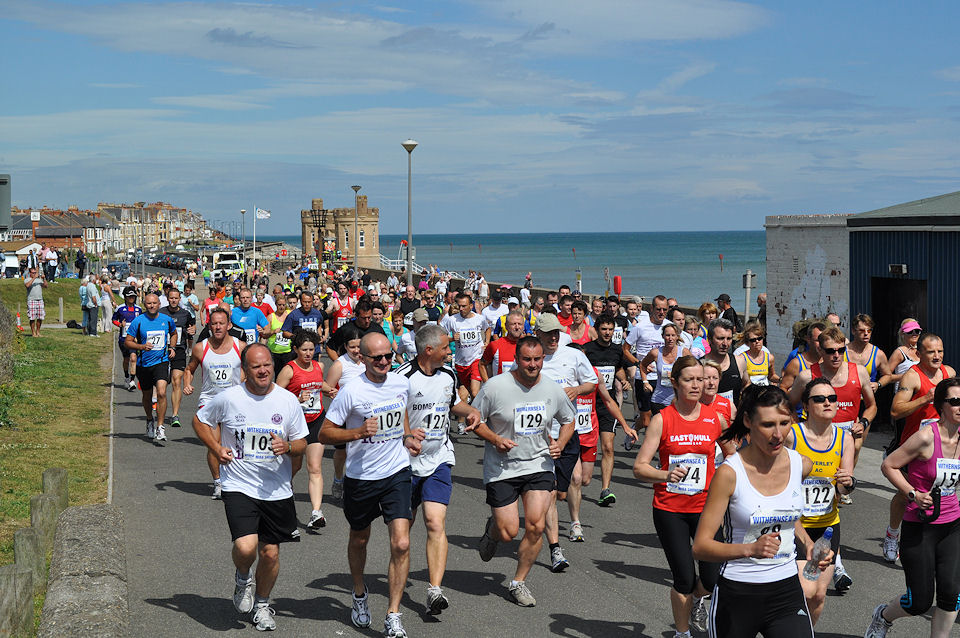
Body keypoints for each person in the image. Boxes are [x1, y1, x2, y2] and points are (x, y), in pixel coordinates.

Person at [692, 386, 830, 638]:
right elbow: (700, 547)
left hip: (786, 590)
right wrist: (750, 549)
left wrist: (809, 544)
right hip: (738, 592)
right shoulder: (730, 474)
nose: (778, 434)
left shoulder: (800, 464)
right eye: (767, 425)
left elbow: (787, 515)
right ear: (748, 421)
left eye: (784, 423)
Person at [193, 343, 307, 632]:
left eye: (267, 364)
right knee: (246, 548)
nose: (263, 370)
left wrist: (289, 446)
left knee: (270, 553)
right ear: (244, 371)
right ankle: (243, 577)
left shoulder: (287, 401)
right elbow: (200, 420)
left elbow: (302, 442)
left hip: (276, 489)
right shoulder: (229, 398)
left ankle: (263, 605)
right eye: (256, 366)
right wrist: (216, 447)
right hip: (239, 484)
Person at [319, 333, 423, 638]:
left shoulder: (400, 383)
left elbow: (401, 411)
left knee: (401, 543)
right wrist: (357, 433)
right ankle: (360, 592)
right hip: (362, 478)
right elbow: (325, 433)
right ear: (361, 358)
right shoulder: (351, 391)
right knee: (360, 539)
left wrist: (406, 437)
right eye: (376, 357)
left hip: (397, 471)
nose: (383, 362)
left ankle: (393, 614)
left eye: (388, 356)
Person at [471, 336, 576, 607]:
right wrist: (495, 440)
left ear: (543, 359)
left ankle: (518, 583)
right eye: (527, 359)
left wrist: (561, 443)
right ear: (516, 359)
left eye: (537, 359)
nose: (533, 365)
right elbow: (474, 419)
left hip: (539, 465)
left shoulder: (553, 389)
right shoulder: (495, 387)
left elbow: (569, 419)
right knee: (508, 532)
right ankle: (493, 529)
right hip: (502, 467)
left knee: (535, 525)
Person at [634, 357, 728, 637]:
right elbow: (639, 467)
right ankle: (682, 632)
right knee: (685, 578)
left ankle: (699, 600)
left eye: (701, 379)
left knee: (713, 579)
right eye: (690, 379)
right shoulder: (663, 420)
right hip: (670, 509)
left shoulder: (715, 419)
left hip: (706, 509)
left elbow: (736, 455)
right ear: (674, 382)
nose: (697, 385)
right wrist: (666, 475)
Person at [864, 377, 960, 638]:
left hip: (952, 525)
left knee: (951, 594)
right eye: (955, 402)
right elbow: (889, 466)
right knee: (919, 601)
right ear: (941, 406)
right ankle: (883, 616)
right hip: (920, 525)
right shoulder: (926, 437)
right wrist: (912, 493)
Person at [396, 325, 482, 614]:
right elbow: (391, 412)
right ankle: (398, 580)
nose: (451, 351)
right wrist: (407, 435)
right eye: (446, 347)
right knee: (402, 536)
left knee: (435, 522)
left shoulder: (448, 374)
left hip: (438, 459)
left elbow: (452, 403)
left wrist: (470, 411)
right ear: (428, 350)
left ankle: (434, 590)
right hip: (405, 464)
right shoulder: (402, 378)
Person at [882, 332, 956, 563]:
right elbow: (895, 411)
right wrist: (925, 399)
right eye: (931, 352)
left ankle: (935, 538)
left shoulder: (949, 373)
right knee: (905, 495)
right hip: (914, 447)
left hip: (941, 446)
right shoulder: (912, 377)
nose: (937, 356)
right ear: (919, 353)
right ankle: (893, 533)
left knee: (943, 490)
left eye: (940, 351)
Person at [785, 379, 856, 622]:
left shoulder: (845, 439)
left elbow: (843, 490)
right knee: (804, 590)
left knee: (818, 595)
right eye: (820, 399)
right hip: (794, 527)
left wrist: (847, 484)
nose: (828, 403)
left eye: (832, 398)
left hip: (826, 529)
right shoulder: (792, 436)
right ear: (806, 405)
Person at [533, 313, 597, 571]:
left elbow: (592, 382)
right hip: (539, 435)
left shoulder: (573, 355)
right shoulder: (531, 357)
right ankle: (555, 549)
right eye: (548, 333)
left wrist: (576, 390)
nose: (553, 337)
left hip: (568, 432)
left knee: (563, 490)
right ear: (537, 333)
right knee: (549, 493)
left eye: (556, 332)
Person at [788, 326, 876, 471]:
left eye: (841, 350)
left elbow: (872, 406)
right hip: (815, 438)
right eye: (830, 351)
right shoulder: (807, 376)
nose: (836, 355)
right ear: (820, 351)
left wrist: (863, 423)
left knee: (842, 485)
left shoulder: (859, 372)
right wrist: (798, 429)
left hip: (847, 439)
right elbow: (788, 405)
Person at [184, 307, 245, 499]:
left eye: (221, 323)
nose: (218, 327)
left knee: (237, 444)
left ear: (229, 325)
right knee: (214, 444)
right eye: (214, 323)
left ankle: (236, 480)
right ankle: (218, 482)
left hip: (234, 402)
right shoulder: (201, 348)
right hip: (209, 402)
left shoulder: (240, 346)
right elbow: (190, 369)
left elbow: (251, 368)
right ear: (209, 325)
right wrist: (187, 384)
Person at [276, 329, 335, 530]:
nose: (308, 353)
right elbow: (275, 395)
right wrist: (295, 399)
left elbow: (320, 385)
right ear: (296, 350)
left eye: (311, 349)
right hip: (295, 425)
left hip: (316, 420)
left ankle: (316, 513)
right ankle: (279, 491)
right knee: (294, 466)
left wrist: (330, 391)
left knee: (315, 467)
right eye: (304, 350)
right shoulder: (289, 370)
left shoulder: (319, 366)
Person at [583, 314, 638, 506]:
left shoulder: (617, 351)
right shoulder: (587, 350)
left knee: (607, 447)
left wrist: (623, 379)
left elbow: (618, 369)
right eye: (604, 329)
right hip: (586, 405)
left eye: (610, 330)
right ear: (597, 330)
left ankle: (605, 489)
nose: (607, 333)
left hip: (608, 404)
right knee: (582, 447)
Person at [124, 293, 178, 443]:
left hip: (161, 361)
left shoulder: (166, 320)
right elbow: (128, 342)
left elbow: (174, 333)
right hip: (143, 364)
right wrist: (141, 346)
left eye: (154, 303)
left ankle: (160, 427)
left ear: (159, 304)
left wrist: (172, 347)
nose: (152, 306)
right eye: (149, 303)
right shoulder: (138, 321)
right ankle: (149, 420)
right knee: (147, 396)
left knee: (161, 392)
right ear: (145, 305)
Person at [324, 323, 367, 503]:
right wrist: (333, 392)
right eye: (352, 347)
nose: (356, 350)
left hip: (364, 414)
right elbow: (325, 385)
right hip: (344, 414)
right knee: (342, 452)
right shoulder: (340, 364)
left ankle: (358, 485)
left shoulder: (368, 361)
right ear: (345, 347)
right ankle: (338, 478)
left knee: (362, 450)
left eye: (359, 346)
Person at [624, 295, 672, 430]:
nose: (661, 313)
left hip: (664, 378)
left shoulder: (670, 326)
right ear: (651, 308)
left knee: (663, 417)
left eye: (664, 309)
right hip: (644, 378)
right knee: (646, 420)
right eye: (658, 309)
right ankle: (635, 428)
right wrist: (639, 363)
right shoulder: (640, 327)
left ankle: (656, 445)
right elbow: (625, 349)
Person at [160, 288, 196, 428]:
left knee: (177, 381)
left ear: (179, 299)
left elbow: (192, 328)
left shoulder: (185, 314)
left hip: (179, 350)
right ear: (168, 298)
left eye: (176, 298)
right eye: (171, 298)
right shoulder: (161, 312)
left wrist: (192, 330)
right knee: (162, 382)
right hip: (162, 350)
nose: (174, 300)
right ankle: (157, 403)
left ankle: (175, 414)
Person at [441, 292, 487, 401]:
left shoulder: (479, 318)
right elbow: (440, 337)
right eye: (459, 306)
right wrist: (452, 338)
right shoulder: (452, 320)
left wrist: (487, 342)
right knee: (470, 392)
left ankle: (482, 414)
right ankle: (476, 412)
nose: (461, 309)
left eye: (464, 306)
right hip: (461, 362)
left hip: (477, 358)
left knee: (475, 392)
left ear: (471, 306)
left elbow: (487, 328)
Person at [640, 323, 691, 414]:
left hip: (678, 401)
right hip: (659, 400)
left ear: (677, 337)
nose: (670, 338)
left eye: (673, 335)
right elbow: (643, 365)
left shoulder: (684, 352)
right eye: (667, 335)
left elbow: (694, 371)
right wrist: (645, 382)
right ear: (663, 336)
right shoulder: (656, 353)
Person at [700, 318, 750, 406]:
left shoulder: (739, 361)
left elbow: (747, 384)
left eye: (729, 338)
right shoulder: (699, 365)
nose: (725, 343)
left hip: (732, 418)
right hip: (708, 418)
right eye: (720, 338)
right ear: (710, 339)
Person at [846, 314, 888, 393]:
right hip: (846, 401)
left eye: (869, 330)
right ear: (853, 331)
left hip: (867, 401)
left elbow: (888, 375)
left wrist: (878, 384)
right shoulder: (843, 352)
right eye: (861, 330)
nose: (866, 333)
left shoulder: (878, 354)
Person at [480, 310, 525, 381]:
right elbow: (481, 364)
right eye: (513, 324)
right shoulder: (495, 345)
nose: (517, 327)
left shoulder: (529, 345)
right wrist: (488, 385)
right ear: (506, 326)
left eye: (520, 324)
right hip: (500, 390)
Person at [267, 294, 297, 373]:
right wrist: (273, 332)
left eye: (283, 305)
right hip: (274, 351)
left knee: (288, 374)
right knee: (277, 374)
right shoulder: (271, 317)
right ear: (276, 304)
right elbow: (265, 334)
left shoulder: (290, 314)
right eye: (279, 305)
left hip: (288, 351)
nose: (281, 307)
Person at [700, 359, 736, 423]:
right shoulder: (692, 404)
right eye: (706, 378)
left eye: (715, 378)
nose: (711, 382)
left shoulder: (729, 405)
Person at [24, 266, 47, 338]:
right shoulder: (27, 279)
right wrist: (34, 278)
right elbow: (27, 285)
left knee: (40, 317)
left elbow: (45, 286)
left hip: (40, 300)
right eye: (33, 273)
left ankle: (38, 332)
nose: (34, 274)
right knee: (32, 317)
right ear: (30, 273)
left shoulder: (39, 280)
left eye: (35, 273)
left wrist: (44, 279)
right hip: (31, 300)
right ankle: (33, 332)